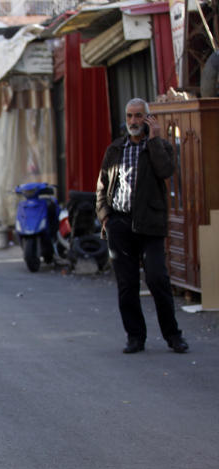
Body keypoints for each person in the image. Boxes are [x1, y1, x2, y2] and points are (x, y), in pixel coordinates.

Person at [96, 97, 189, 354]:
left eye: (139, 116)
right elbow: (102, 185)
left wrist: (156, 139)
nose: (134, 121)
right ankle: (135, 337)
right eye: (130, 116)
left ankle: (173, 336)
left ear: (148, 119)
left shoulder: (158, 147)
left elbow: (166, 171)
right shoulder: (115, 149)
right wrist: (106, 217)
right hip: (120, 224)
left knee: (158, 279)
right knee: (127, 285)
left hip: (150, 224)